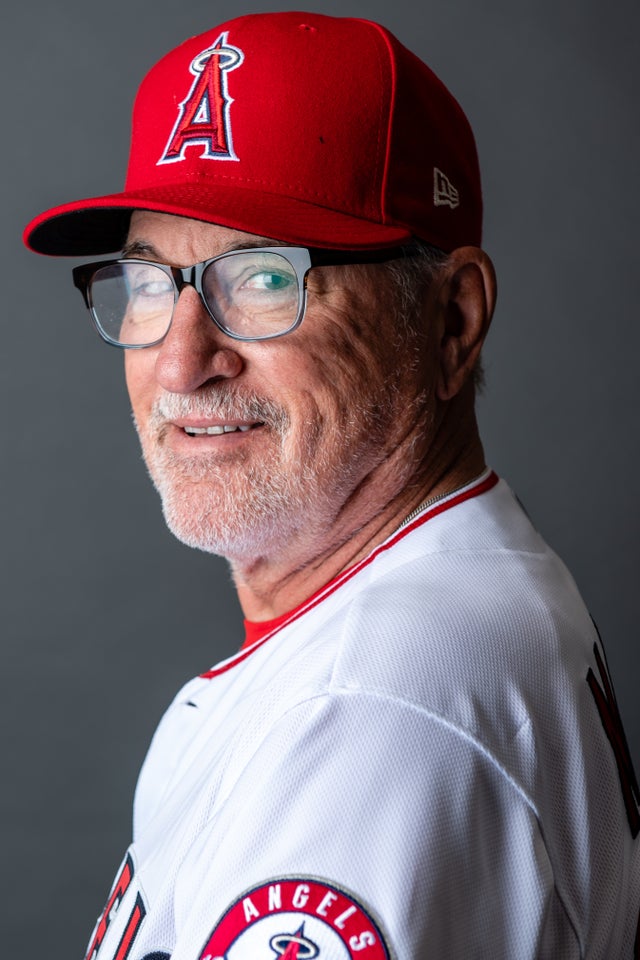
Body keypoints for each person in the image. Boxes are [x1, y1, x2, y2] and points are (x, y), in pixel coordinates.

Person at [23, 10, 640, 959]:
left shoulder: (365, 722)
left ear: (452, 322)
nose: (184, 362)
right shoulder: (449, 589)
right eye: (151, 282)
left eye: (266, 277)